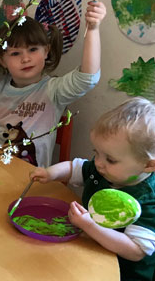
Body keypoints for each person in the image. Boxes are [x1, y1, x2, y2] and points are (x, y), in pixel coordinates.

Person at [0, 1, 106, 167]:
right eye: (16, 53)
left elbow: (87, 78)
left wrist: (93, 29)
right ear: (3, 60)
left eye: (33, 50)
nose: (26, 59)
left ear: (46, 51)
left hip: (32, 180)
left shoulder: (53, 90)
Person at [30, 98, 155, 280]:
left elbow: (135, 251)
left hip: (124, 274)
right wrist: (50, 173)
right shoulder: (102, 171)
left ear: (148, 166)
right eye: (96, 152)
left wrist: (89, 225)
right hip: (90, 253)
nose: (98, 163)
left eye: (110, 159)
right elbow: (74, 167)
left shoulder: (148, 201)